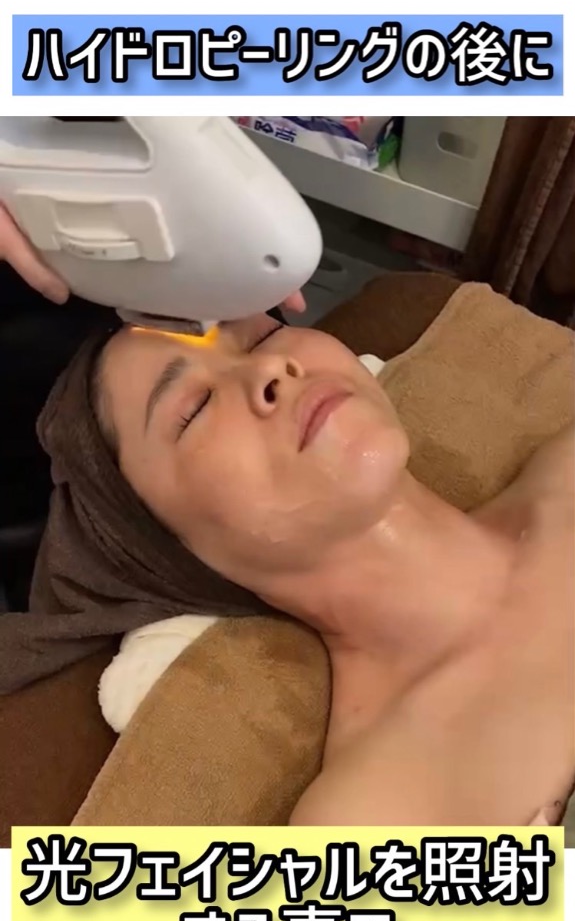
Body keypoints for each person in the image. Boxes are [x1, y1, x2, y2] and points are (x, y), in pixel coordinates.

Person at [2, 206, 573, 826]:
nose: (271, 368)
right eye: (195, 409)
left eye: (261, 336)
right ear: (175, 553)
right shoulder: (376, 813)